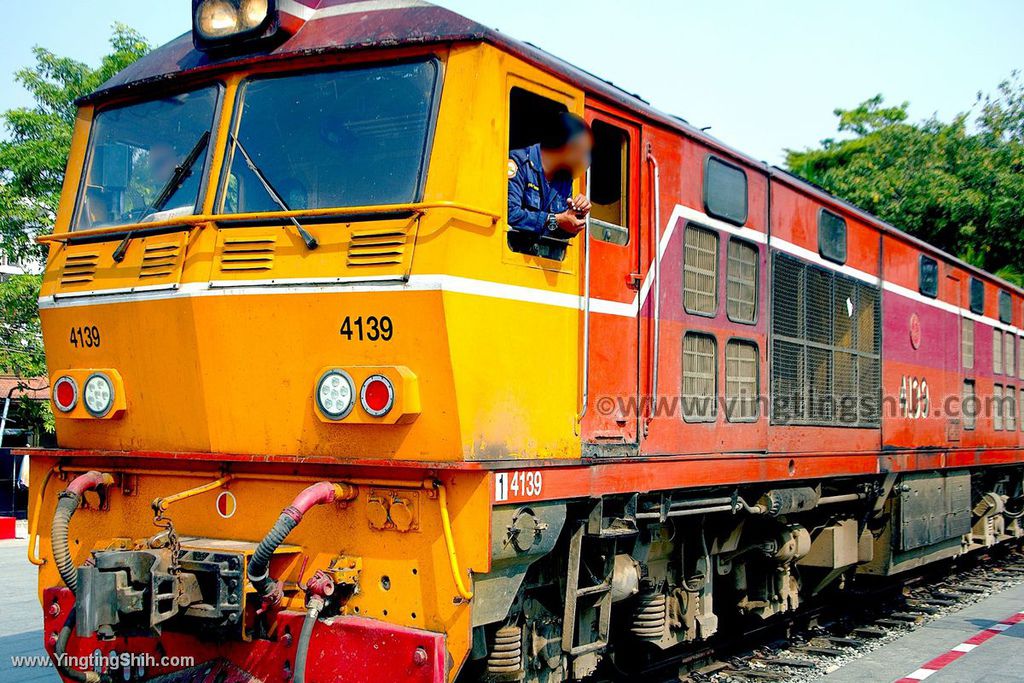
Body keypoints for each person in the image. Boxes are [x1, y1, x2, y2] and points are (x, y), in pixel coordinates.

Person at [507, 112, 593, 239]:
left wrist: (575, 217)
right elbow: (510, 214)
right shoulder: (518, 161)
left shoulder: (564, 180)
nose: (583, 160)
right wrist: (556, 219)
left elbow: (555, 229)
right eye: (581, 151)